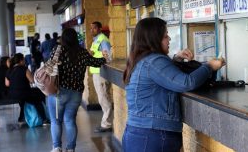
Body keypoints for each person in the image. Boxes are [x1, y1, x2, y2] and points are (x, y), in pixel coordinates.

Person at [122, 17, 225, 152]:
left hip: (139, 133)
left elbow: (160, 76)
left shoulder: (141, 59)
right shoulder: (154, 61)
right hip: (152, 135)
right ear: (154, 39)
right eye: (165, 36)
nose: (169, 39)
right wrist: (209, 66)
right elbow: (186, 83)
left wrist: (176, 59)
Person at [47, 28, 108, 152]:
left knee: (56, 121)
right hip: (76, 93)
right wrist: (104, 58)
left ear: (63, 38)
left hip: (59, 91)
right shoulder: (82, 52)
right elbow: (95, 62)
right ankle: (71, 149)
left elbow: (49, 67)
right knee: (70, 121)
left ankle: (57, 147)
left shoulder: (57, 50)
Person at [5, 53, 47, 124]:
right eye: (24, 59)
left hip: (12, 94)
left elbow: (7, 84)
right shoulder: (25, 69)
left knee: (23, 101)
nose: (24, 61)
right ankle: (44, 119)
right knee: (38, 98)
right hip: (24, 93)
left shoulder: (9, 70)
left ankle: (21, 118)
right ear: (21, 61)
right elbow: (32, 80)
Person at [89, 21, 113, 133]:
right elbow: (94, 54)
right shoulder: (96, 40)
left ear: (100, 28)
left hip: (101, 73)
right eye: (91, 28)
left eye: (94, 28)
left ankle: (106, 124)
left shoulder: (103, 39)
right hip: (96, 72)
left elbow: (108, 57)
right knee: (102, 98)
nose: (91, 30)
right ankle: (105, 123)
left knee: (103, 98)